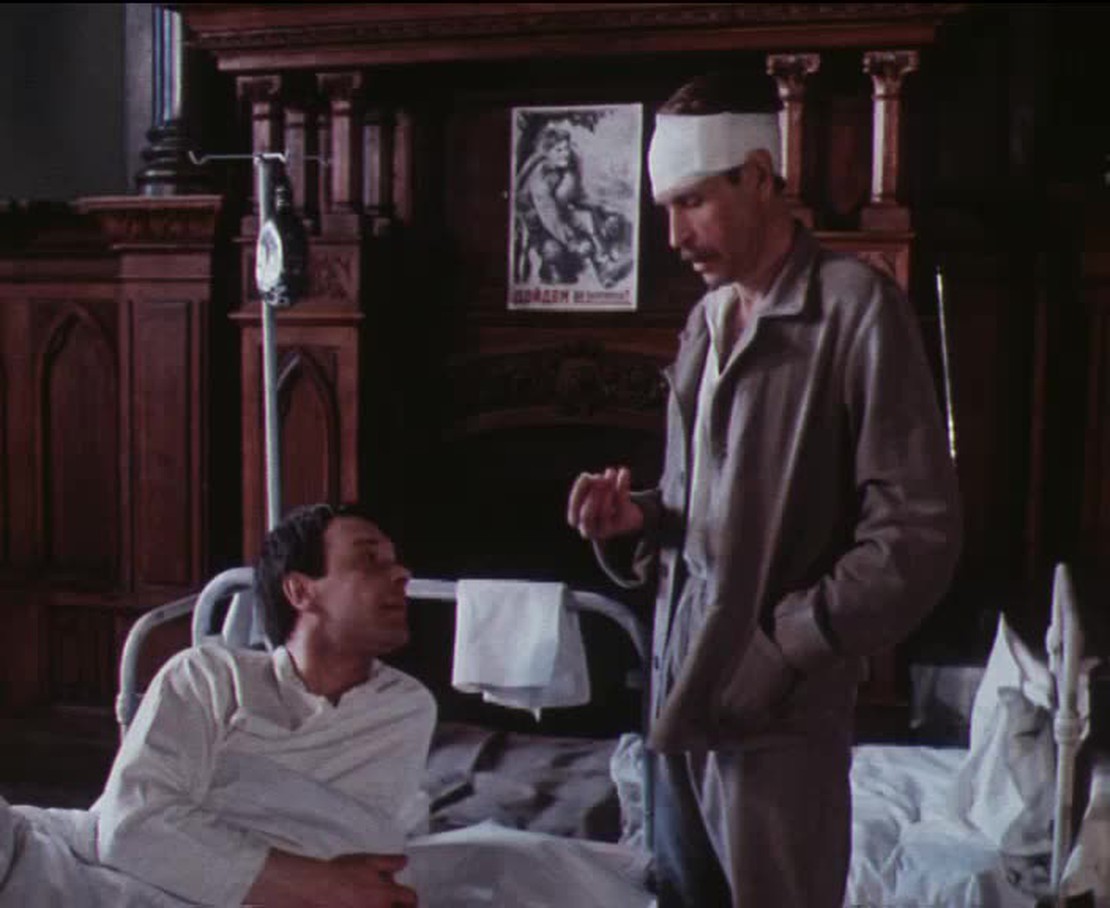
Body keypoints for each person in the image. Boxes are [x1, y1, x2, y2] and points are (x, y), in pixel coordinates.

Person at [566, 73, 962, 907]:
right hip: (677, 693)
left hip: (776, 713)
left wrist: (785, 648)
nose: (674, 235)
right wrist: (638, 520)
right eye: (665, 208)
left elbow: (917, 536)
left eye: (692, 202)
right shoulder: (705, 320)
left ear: (757, 174)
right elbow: (708, 506)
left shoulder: (856, 311)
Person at [93, 502, 433, 907]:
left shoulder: (406, 707)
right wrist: (325, 884)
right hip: (131, 880)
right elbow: (131, 824)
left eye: (395, 561)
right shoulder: (209, 676)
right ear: (300, 591)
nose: (401, 574)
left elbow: (359, 836)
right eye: (369, 560)